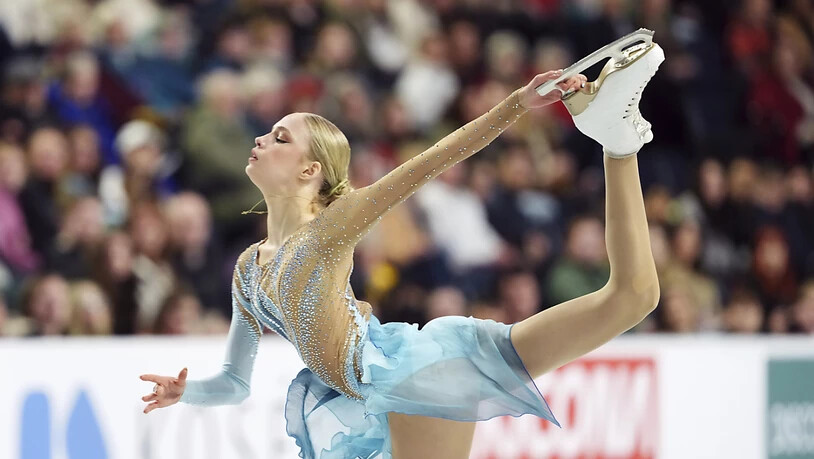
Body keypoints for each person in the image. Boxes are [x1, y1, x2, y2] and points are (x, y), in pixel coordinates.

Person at [140, 37, 664, 459]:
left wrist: (516, 104)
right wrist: (188, 392)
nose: (260, 140)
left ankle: (618, 145)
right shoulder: (248, 272)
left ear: (309, 170)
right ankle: (617, 141)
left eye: (280, 138)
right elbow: (235, 382)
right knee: (633, 298)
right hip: (366, 398)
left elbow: (431, 161)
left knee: (633, 297)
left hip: (414, 376)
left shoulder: (329, 228)